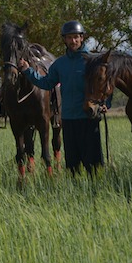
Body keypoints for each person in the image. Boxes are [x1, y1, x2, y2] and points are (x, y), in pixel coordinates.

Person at [18, 20, 105, 175]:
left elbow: (105, 86)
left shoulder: (93, 61)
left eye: (76, 37)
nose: (73, 41)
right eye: (69, 37)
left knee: (93, 166)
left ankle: (96, 194)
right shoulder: (59, 64)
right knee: (72, 166)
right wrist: (27, 71)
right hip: (69, 119)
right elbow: (46, 83)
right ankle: (76, 194)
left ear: (82, 38)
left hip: (89, 118)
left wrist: (106, 104)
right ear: (64, 39)